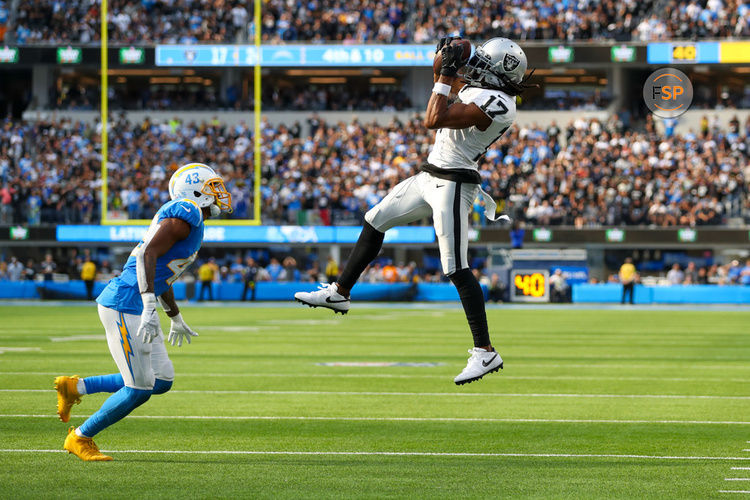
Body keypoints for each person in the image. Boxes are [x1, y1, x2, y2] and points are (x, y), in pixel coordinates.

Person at [295, 37, 533, 385]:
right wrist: (446, 57)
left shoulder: (500, 103)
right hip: (430, 174)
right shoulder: (481, 87)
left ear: (499, 73)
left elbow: (433, 117)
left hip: (454, 183)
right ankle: (340, 293)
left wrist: (450, 72)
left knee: (455, 268)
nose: (477, 65)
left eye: (485, 62)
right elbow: (440, 73)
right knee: (375, 219)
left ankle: (485, 351)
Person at [54, 163, 232, 461]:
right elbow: (148, 254)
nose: (220, 194)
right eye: (213, 187)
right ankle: (80, 436)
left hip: (137, 302)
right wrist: (149, 302)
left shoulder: (192, 220)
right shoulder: (185, 211)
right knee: (139, 388)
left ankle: (76, 387)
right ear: (196, 190)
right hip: (125, 303)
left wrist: (175, 317)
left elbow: (162, 273)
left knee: (161, 381)